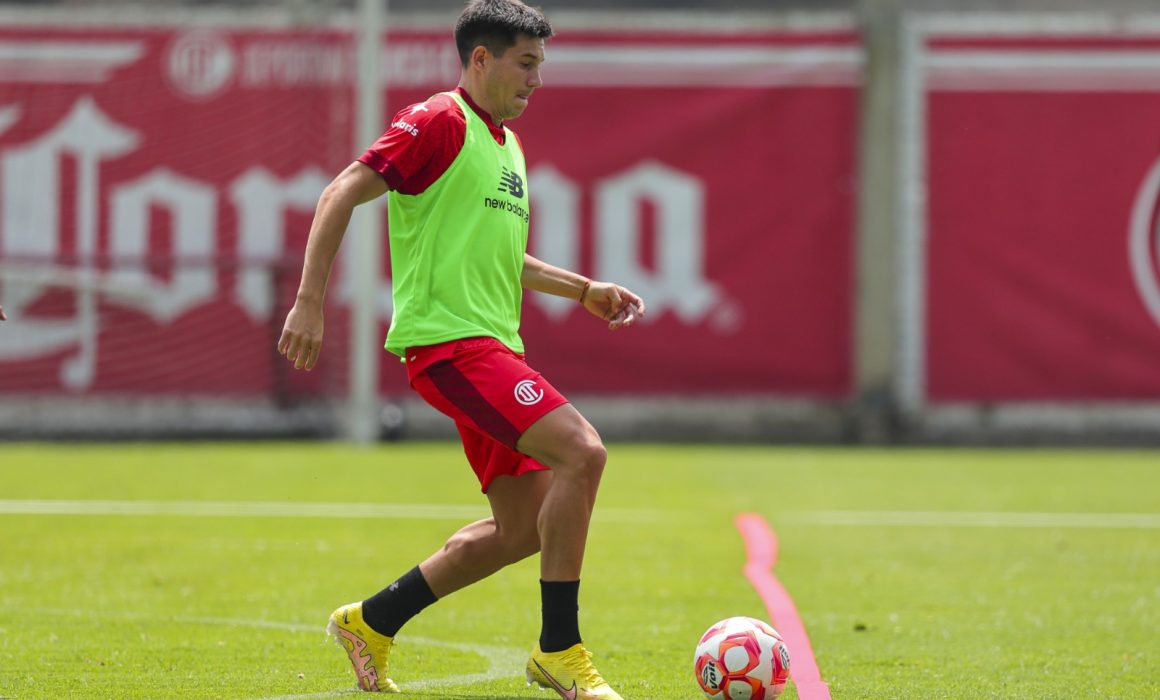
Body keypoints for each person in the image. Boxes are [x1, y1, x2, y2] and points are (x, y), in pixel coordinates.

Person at [276, 1, 643, 697]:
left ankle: (372, 621)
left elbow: (507, 257)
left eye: (540, 66)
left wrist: (584, 288)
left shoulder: (504, 143)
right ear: (481, 59)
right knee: (584, 452)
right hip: (452, 347)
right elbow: (341, 192)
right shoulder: (441, 120)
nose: (536, 80)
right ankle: (560, 650)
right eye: (525, 64)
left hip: (491, 346)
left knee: (526, 527)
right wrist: (309, 300)